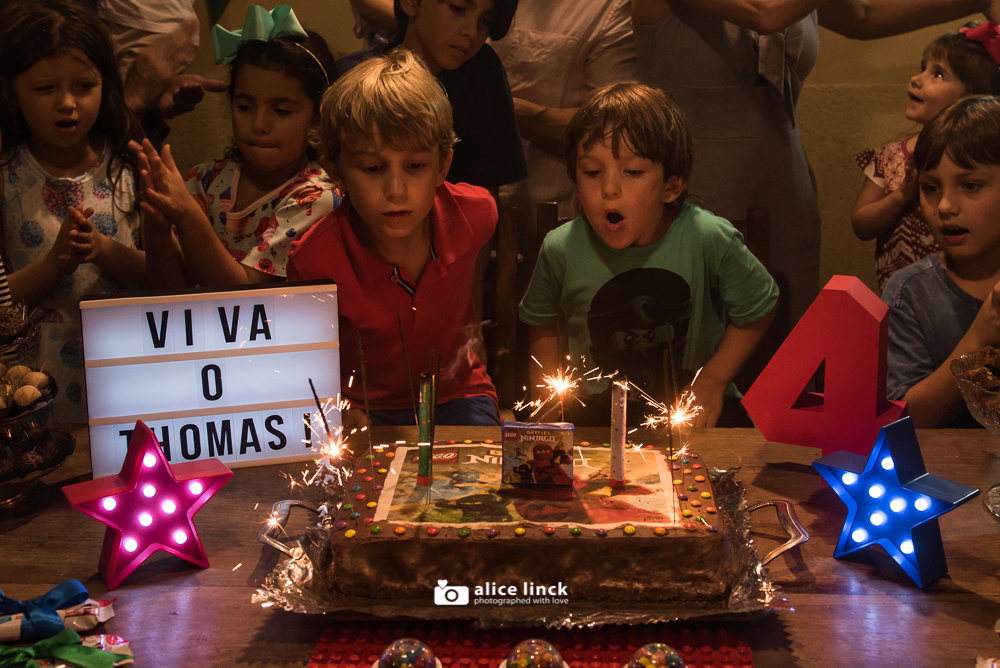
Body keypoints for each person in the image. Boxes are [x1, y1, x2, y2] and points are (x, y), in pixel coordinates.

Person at [632, 0, 1000, 360]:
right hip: (694, 183)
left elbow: (864, 16)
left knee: (791, 353)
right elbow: (767, 14)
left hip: (785, 182)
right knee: (691, 345)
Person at [518, 82, 778, 428]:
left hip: (693, 416)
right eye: (592, 172)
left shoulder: (708, 237)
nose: (609, 188)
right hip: (594, 417)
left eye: (633, 172)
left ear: (671, 185)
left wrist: (714, 379)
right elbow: (542, 320)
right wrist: (550, 401)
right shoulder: (560, 248)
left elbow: (760, 308)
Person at [287, 49, 500, 427]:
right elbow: (307, 370)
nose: (396, 190)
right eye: (373, 168)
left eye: (415, 165)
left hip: (457, 395)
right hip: (364, 409)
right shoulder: (313, 263)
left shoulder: (476, 215)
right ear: (336, 170)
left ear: (443, 164)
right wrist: (340, 412)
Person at [0, 0, 148, 422]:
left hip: (127, 374)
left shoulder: (130, 169)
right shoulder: (6, 178)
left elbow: (168, 277)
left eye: (83, 86)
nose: (66, 103)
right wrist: (55, 264)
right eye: (45, 89)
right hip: (35, 389)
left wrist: (104, 251)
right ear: (10, 91)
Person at [132, 5, 340, 290]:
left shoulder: (316, 197)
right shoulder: (204, 181)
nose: (259, 124)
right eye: (245, 107)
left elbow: (245, 294)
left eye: (280, 111)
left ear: (317, 118)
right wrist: (157, 230)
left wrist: (188, 216)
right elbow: (173, 290)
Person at [854, 23, 1000, 293]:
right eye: (923, 67)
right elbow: (861, 224)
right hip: (910, 296)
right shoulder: (891, 158)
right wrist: (902, 196)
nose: (916, 78)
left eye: (938, 74)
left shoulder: (988, 159)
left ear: (973, 98)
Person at [884, 95, 1000, 428]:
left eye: (970, 185)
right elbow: (905, 421)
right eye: (931, 188)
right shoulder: (909, 292)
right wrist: (979, 339)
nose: (945, 205)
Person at [337, 0, 526, 193]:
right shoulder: (351, 79)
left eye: (486, 21)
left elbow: (485, 195)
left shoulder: (483, 73)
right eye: (458, 9)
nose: (472, 31)